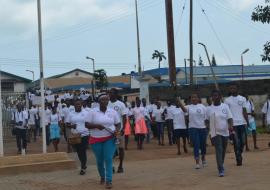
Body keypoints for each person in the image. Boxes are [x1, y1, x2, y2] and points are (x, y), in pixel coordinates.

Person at [86, 94, 120, 189]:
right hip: (95, 139)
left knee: (108, 158)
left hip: (109, 138)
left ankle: (109, 180)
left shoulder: (112, 112)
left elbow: (118, 123)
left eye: (107, 100)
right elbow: (87, 124)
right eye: (103, 100)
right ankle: (102, 176)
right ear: (99, 101)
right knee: (100, 160)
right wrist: (96, 126)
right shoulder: (93, 112)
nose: (105, 101)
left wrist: (116, 131)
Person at [206, 90, 233, 177]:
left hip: (225, 131)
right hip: (215, 132)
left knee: (223, 150)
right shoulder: (209, 109)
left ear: (220, 97)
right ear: (212, 97)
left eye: (217, 96)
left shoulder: (225, 106)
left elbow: (230, 118)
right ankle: (220, 169)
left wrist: (231, 126)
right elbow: (206, 120)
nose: (215, 97)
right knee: (219, 149)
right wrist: (209, 129)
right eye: (213, 96)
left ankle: (221, 163)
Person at [224, 83, 249, 166]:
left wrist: (247, 122)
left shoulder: (243, 99)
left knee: (243, 142)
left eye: (234, 88)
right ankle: (238, 157)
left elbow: (244, 111)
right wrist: (228, 125)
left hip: (242, 123)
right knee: (236, 142)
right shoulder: (227, 100)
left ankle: (239, 153)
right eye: (231, 88)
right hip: (233, 125)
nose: (232, 90)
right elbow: (227, 114)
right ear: (229, 90)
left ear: (237, 89)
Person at [67, 100, 89, 175]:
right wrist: (71, 126)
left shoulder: (86, 113)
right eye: (77, 104)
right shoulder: (71, 114)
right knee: (79, 151)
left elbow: (89, 122)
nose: (78, 106)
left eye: (79, 104)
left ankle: (83, 167)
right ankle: (83, 164)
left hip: (84, 134)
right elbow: (67, 124)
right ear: (74, 105)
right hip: (75, 136)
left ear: (81, 105)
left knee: (83, 150)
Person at [108, 88, 127, 173]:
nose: (110, 94)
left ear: (116, 94)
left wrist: (123, 128)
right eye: (109, 93)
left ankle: (120, 166)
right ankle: (111, 166)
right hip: (109, 131)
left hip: (119, 130)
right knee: (110, 149)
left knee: (121, 148)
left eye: (111, 93)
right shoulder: (106, 103)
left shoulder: (121, 104)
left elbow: (124, 117)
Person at [187, 93, 207, 169]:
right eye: (192, 97)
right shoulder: (189, 107)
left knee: (203, 145)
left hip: (202, 128)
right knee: (196, 144)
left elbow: (206, 118)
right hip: (193, 128)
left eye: (195, 97)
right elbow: (184, 110)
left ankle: (203, 158)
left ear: (198, 98)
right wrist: (179, 102)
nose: (193, 98)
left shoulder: (202, 107)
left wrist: (207, 127)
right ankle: (197, 162)